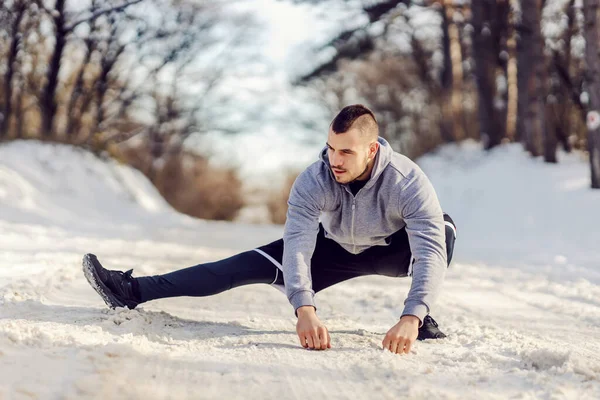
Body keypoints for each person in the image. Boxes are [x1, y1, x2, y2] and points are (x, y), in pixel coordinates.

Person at [82, 104, 457, 355]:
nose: (334, 160)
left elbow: (429, 252)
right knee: (242, 265)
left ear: (372, 150)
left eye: (346, 152)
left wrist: (412, 314)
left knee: (442, 230)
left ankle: (423, 321)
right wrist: (304, 307)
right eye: (330, 148)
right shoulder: (315, 179)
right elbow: (297, 244)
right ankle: (132, 290)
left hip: (393, 251)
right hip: (337, 248)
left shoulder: (406, 180)